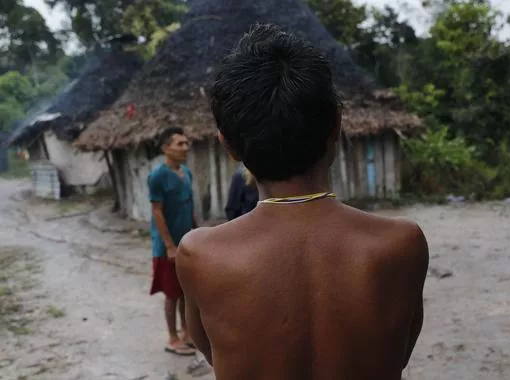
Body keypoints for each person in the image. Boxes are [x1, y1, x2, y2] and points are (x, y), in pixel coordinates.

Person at [175, 23, 429, 380]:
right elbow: (398, 353)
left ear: (227, 144)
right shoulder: (402, 243)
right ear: (337, 126)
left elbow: (215, 353)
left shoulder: (199, 254)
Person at [148, 126, 198, 356]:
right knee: (171, 293)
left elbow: (189, 204)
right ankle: (172, 338)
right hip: (167, 246)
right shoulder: (157, 176)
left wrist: (197, 233)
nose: (185, 147)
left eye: (186, 143)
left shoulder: (186, 172)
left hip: (186, 242)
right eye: (179, 143)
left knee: (186, 291)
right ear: (165, 148)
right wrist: (169, 245)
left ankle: (187, 333)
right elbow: (157, 211)